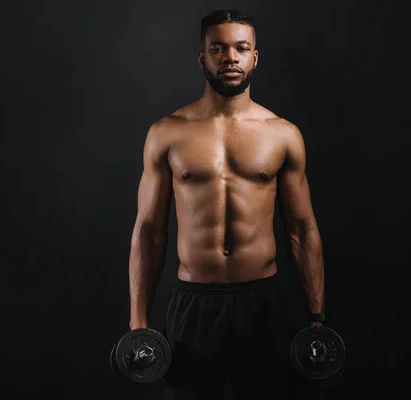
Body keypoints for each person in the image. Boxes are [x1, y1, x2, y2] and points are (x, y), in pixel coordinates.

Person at [128, 9, 325, 400]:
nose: (230, 57)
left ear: (255, 57)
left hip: (263, 306)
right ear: (202, 58)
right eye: (218, 48)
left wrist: (316, 317)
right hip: (194, 305)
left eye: (240, 48)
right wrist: (138, 318)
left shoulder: (282, 135)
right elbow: (149, 231)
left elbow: (302, 230)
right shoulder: (167, 133)